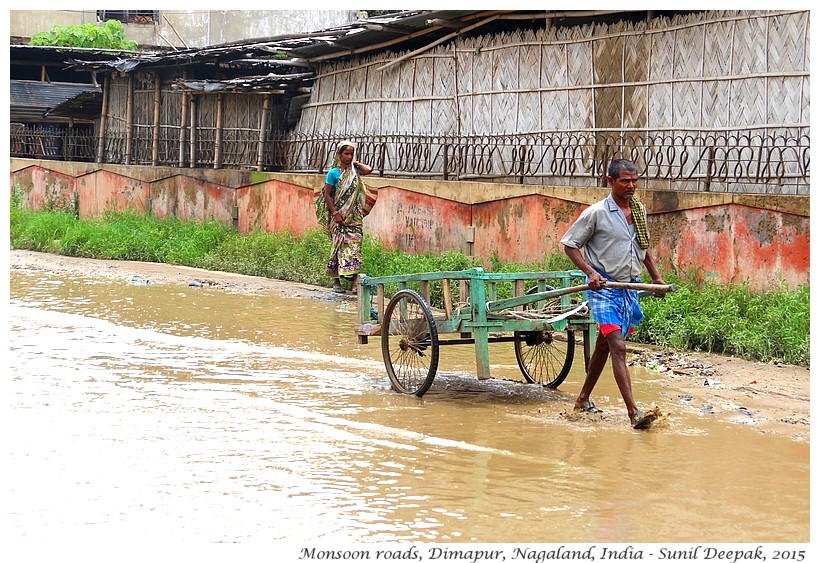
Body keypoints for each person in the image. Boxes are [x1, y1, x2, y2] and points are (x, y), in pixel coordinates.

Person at [560, 159, 666, 429]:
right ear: (610, 181)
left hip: (628, 288)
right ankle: (634, 413)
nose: (631, 186)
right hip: (604, 290)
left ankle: (582, 399)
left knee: (604, 345)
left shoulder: (639, 211)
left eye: (635, 181)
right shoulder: (596, 213)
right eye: (625, 181)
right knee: (618, 346)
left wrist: (655, 277)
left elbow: (643, 248)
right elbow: (570, 245)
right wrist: (591, 272)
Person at [323, 141, 374, 294]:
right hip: (339, 217)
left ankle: (354, 283)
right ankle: (336, 281)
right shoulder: (333, 173)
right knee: (338, 248)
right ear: (339, 154)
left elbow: (369, 170)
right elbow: (327, 195)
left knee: (355, 247)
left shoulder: (355, 170)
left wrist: (355, 163)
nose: (349, 156)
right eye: (346, 153)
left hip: (354, 217)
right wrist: (335, 214)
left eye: (352, 153)